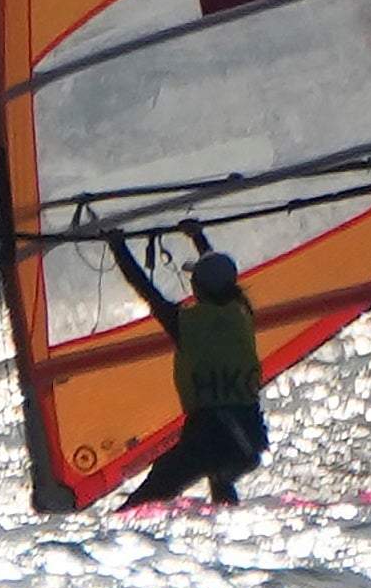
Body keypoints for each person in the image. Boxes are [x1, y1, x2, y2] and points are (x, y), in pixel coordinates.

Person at [96, 213, 267, 509]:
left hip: (211, 434)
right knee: (219, 478)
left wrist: (117, 246)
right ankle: (225, 511)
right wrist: (197, 236)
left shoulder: (185, 323)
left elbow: (146, 290)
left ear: (197, 288)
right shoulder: (242, 313)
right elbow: (220, 277)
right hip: (247, 440)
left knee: (147, 497)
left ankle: (119, 519)